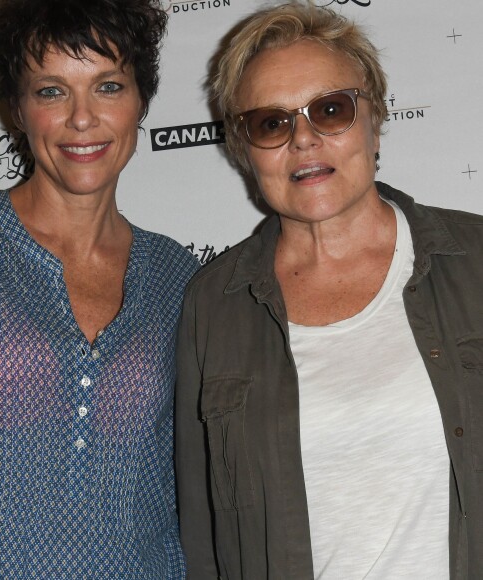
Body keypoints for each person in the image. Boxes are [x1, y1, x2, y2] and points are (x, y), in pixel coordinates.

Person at [175, 2, 483, 578]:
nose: (304, 140)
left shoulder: (478, 262)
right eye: (272, 122)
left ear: (375, 119)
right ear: (244, 149)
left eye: (331, 109)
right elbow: (204, 538)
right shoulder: (214, 306)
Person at [0, 0, 198, 577]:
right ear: (16, 107)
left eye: (108, 86)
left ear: (141, 102)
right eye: (52, 91)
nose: (82, 118)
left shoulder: (177, 277)